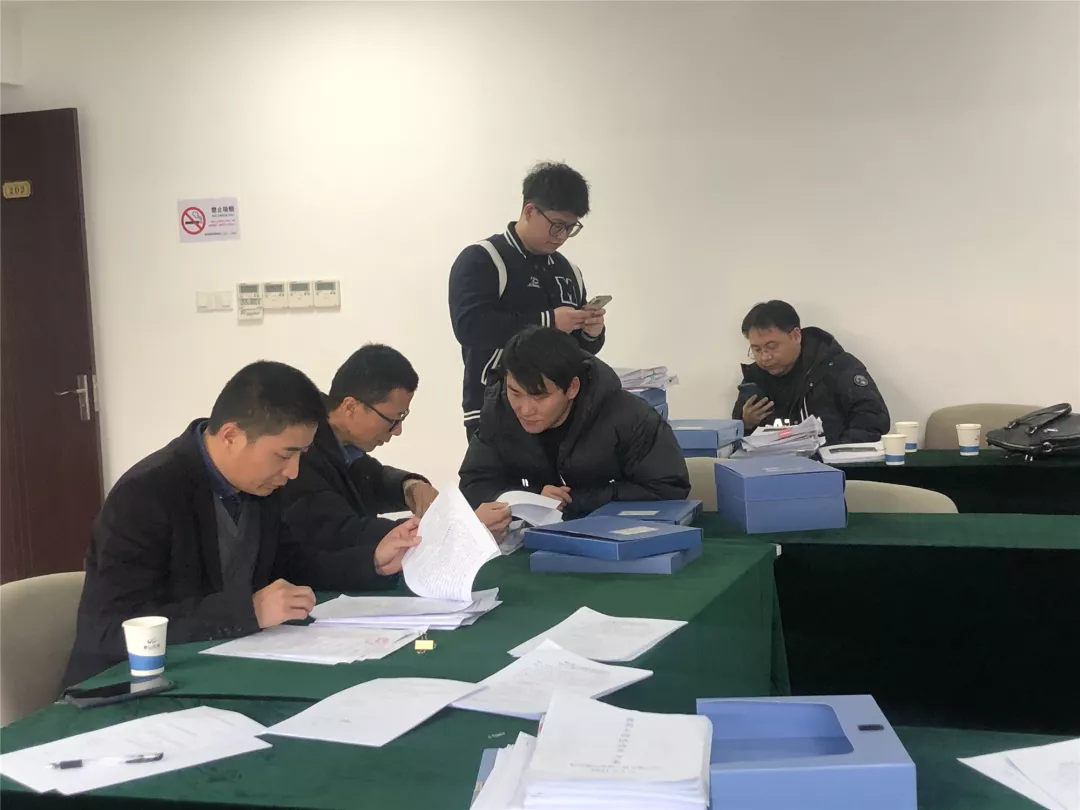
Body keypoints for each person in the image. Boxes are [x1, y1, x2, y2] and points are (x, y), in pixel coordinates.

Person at [63, 361, 419, 686]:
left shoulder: (259, 484)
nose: (293, 472)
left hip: (218, 672)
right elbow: (108, 630)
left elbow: (293, 565)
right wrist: (247, 611)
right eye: (285, 455)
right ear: (231, 436)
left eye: (301, 455)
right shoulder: (145, 494)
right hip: (127, 690)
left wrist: (371, 561)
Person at [281, 344, 513, 547]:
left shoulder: (342, 442)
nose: (398, 430)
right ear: (351, 407)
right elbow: (344, 532)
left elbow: (374, 478)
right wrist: (449, 526)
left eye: (403, 418)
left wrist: (409, 486)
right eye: (393, 419)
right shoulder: (301, 452)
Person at [459, 326, 690, 519]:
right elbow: (474, 484)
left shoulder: (629, 417)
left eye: (540, 397)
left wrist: (574, 501)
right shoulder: (499, 412)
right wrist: (531, 498)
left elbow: (668, 488)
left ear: (572, 388)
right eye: (515, 393)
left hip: (614, 536)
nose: (525, 409)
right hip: (535, 541)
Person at [449, 162, 607, 440]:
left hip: (562, 413)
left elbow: (575, 351)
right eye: (556, 225)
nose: (562, 236)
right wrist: (550, 321)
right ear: (529, 211)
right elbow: (470, 327)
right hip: (498, 408)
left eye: (570, 228)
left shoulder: (569, 271)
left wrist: (591, 333)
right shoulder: (483, 259)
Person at [732, 300, 890, 445]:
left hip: (831, 463)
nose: (765, 357)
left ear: (796, 336)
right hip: (772, 464)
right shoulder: (755, 379)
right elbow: (734, 437)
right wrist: (745, 423)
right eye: (756, 349)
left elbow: (873, 419)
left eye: (772, 347)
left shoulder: (836, 366)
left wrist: (836, 452)